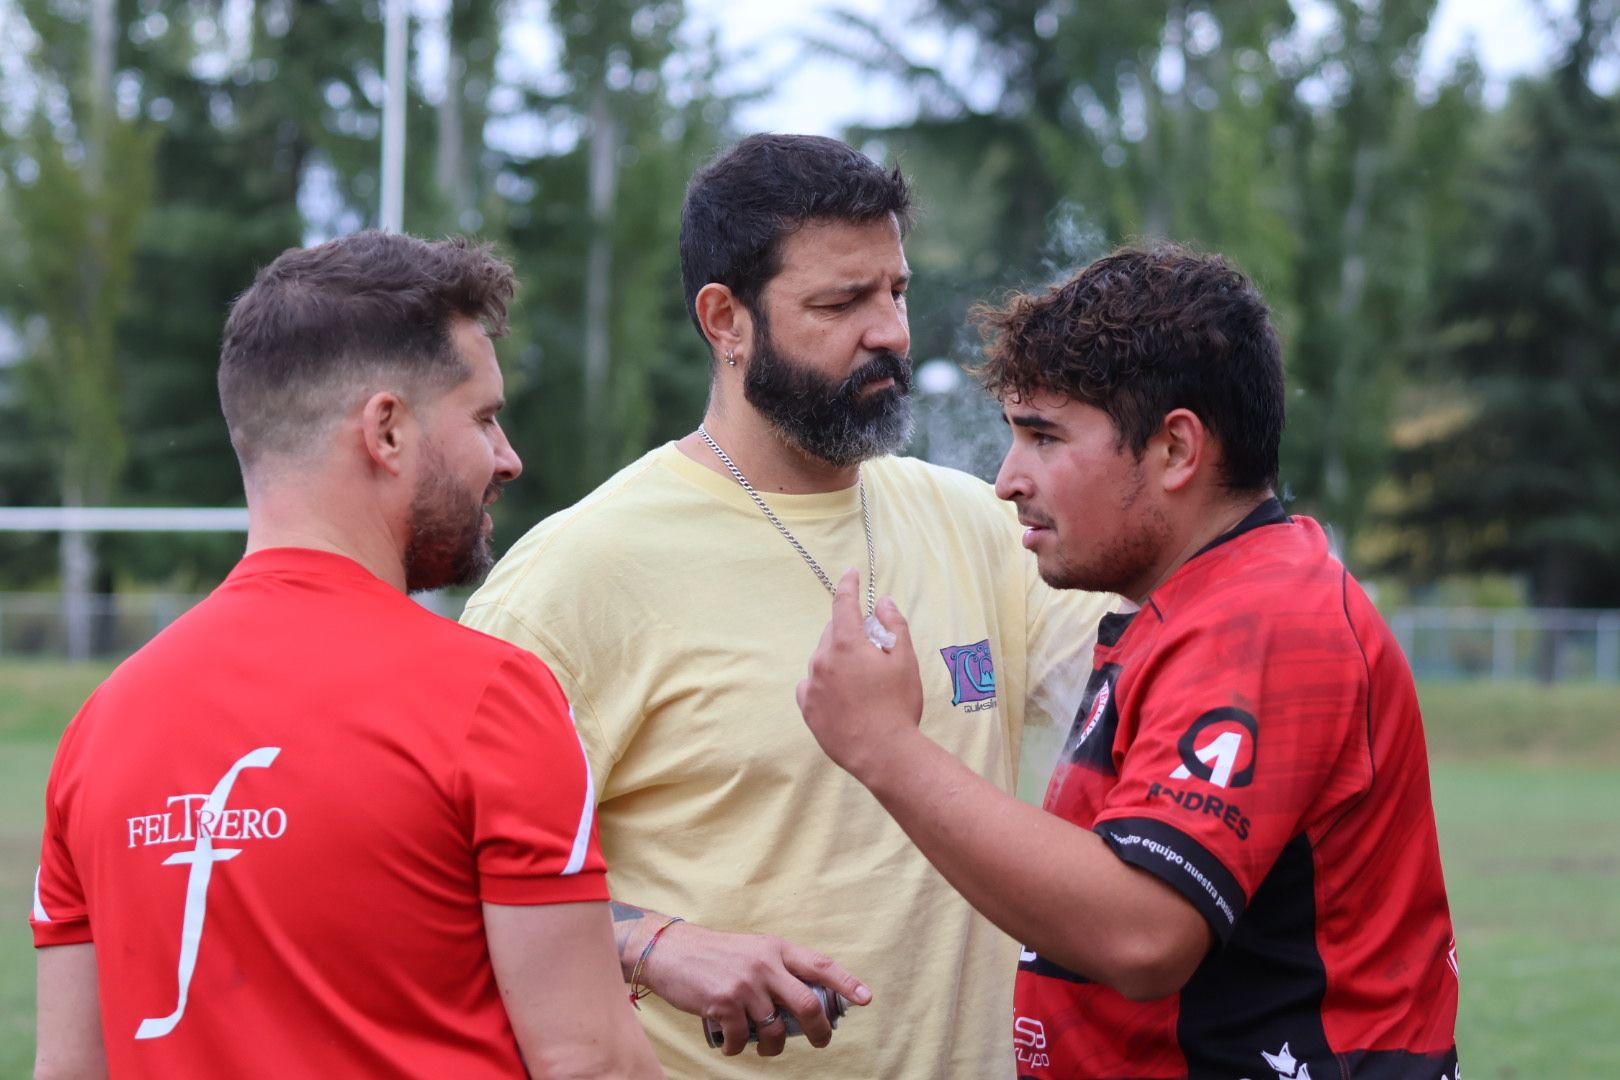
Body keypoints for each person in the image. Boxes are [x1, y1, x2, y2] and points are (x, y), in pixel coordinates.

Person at [460, 133, 1113, 1078]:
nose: (889, 329)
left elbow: (1167, 678)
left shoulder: (983, 525)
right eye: (840, 303)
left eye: (894, 289)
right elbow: (441, 871)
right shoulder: (579, 572)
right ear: (725, 320)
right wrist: (653, 943)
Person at [798, 245, 1461, 1079]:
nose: (1007, 480)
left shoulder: (1261, 621)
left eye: (1044, 436)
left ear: (1177, 451)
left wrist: (884, 746)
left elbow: (1143, 933)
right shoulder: (1196, 605)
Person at [30, 231, 664, 1080]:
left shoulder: (98, 731)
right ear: (387, 432)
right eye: (483, 417)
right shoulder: (490, 697)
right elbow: (593, 1067)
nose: (507, 456)